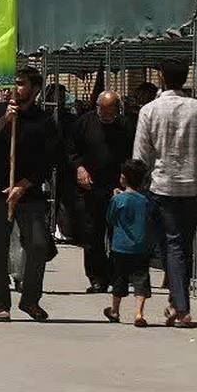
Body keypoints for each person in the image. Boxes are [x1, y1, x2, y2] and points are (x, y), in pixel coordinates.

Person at [0, 67, 62, 322]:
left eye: (21, 84)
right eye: (13, 83)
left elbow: (50, 158)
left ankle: (30, 299)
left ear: (35, 89)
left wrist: (24, 184)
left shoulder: (44, 121)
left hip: (28, 194)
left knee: (38, 244)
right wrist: (4, 121)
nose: (15, 88)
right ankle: (1, 304)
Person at [132, 58, 197, 328]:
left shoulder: (150, 110)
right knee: (182, 245)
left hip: (162, 186)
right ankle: (175, 301)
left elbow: (140, 155)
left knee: (171, 245)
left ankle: (182, 309)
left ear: (161, 77)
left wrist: (132, 184)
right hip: (192, 186)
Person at [67, 91, 131, 294]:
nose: (105, 115)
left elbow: (131, 155)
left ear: (117, 108)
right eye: (102, 110)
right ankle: (97, 278)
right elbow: (71, 150)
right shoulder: (84, 123)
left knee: (118, 235)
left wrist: (126, 180)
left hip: (117, 188)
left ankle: (117, 276)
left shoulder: (124, 126)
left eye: (110, 110)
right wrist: (79, 168)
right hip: (91, 187)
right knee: (92, 233)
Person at [103, 159, 153, 328]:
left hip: (120, 246)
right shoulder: (145, 200)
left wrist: (115, 198)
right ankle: (139, 313)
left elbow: (110, 219)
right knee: (141, 279)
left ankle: (115, 310)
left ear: (123, 178)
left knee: (119, 278)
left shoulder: (118, 200)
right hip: (141, 247)